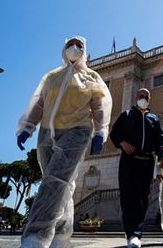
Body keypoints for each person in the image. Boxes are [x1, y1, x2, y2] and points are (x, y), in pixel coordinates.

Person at [15, 35, 112, 248]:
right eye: (70, 45)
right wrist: (27, 127)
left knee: (54, 180)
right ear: (63, 49)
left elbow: (100, 106)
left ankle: (35, 236)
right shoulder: (51, 77)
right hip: (47, 133)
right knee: (62, 185)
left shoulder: (92, 77)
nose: (74, 48)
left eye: (79, 45)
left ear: (84, 50)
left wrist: (100, 132)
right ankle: (61, 234)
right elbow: (39, 103)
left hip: (78, 131)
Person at [110, 88, 163, 248]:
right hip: (129, 161)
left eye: (146, 97)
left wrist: (162, 157)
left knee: (143, 199)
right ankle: (133, 235)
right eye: (141, 96)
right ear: (136, 98)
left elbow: (160, 140)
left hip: (147, 162)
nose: (143, 98)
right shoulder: (126, 115)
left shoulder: (154, 119)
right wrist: (122, 142)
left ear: (149, 99)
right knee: (129, 198)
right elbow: (114, 133)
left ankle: (135, 233)